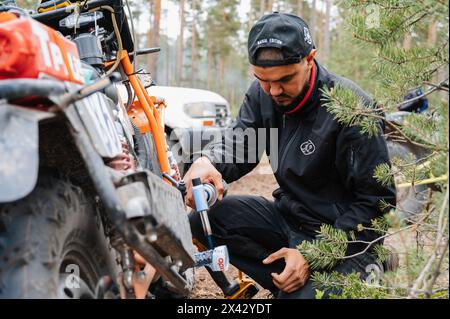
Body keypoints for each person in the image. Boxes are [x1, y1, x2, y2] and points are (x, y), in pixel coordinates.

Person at [183, 12, 396, 299]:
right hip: (290, 219)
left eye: (284, 79)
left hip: (345, 237)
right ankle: (288, 279)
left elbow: (376, 203)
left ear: (310, 59)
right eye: (262, 80)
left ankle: (373, 264)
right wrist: (208, 162)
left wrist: (312, 255)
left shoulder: (352, 109)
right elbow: (241, 143)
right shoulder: (263, 95)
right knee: (204, 219)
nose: (273, 90)